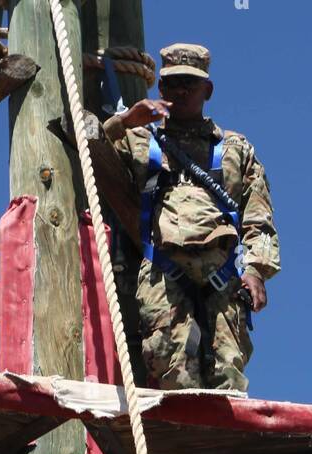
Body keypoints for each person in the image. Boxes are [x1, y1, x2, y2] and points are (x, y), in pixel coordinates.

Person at [101, 42, 280, 394]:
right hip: (163, 272)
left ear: (207, 90)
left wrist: (257, 271)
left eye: (189, 84)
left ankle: (225, 446)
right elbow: (86, 151)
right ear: (160, 88)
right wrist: (123, 121)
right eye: (172, 83)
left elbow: (259, 219)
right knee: (172, 375)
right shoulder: (138, 140)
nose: (180, 91)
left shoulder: (235, 149)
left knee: (228, 376)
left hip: (223, 275)